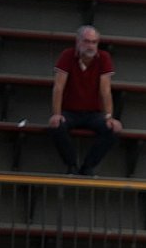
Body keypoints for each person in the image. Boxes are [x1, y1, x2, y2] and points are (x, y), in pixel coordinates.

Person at [48, 25, 121, 175]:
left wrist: (109, 117)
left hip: (94, 113)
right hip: (69, 111)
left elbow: (105, 90)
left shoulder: (104, 57)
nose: (90, 46)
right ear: (78, 42)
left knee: (112, 129)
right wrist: (56, 114)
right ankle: (71, 165)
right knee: (56, 125)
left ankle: (88, 167)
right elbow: (58, 87)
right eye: (87, 41)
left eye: (94, 42)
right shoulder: (67, 55)